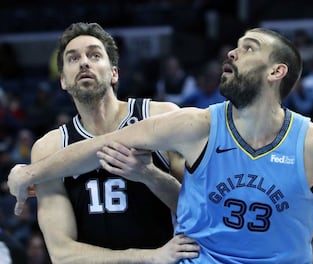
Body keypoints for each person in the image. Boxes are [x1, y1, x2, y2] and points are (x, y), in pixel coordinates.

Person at [7, 27, 313, 263]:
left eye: (248, 47)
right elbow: (102, 146)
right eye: (234, 46)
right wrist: (29, 171)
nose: (233, 51)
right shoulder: (195, 124)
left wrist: (147, 175)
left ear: (277, 71)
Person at [9, 22, 200, 263]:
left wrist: (149, 175)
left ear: (114, 73)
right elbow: (62, 253)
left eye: (94, 55)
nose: (84, 63)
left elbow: (199, 209)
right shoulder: (50, 148)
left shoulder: (161, 116)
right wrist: (149, 257)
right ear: (63, 81)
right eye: (73, 58)